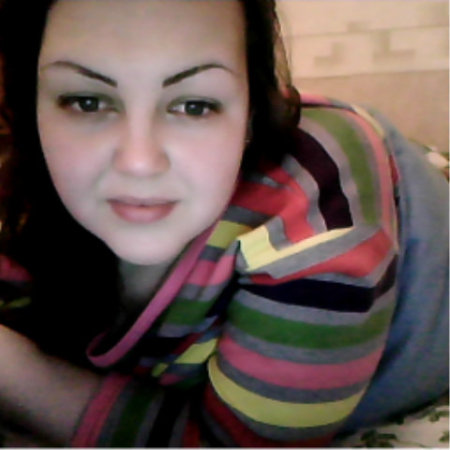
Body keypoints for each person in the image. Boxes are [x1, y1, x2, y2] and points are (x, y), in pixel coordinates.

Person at [0, 0, 447, 447]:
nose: (139, 161)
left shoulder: (321, 225)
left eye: (195, 105)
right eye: (87, 102)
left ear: (254, 110)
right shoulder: (21, 181)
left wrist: (17, 371)